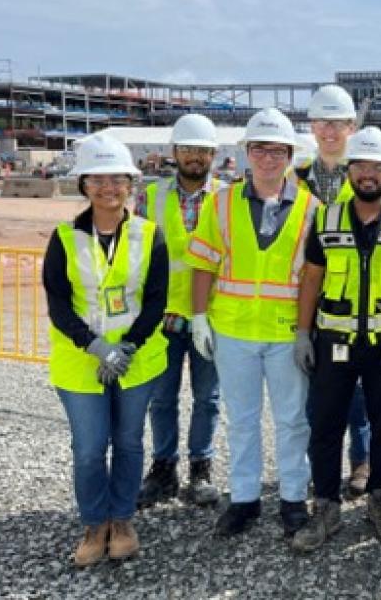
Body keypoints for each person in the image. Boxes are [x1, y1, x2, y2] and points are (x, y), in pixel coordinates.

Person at [185, 107, 319, 539]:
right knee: (241, 419)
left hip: (284, 333)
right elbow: (203, 262)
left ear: (290, 155)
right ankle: (244, 499)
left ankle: (294, 500)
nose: (267, 158)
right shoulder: (221, 203)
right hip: (234, 331)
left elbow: (314, 276)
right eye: (259, 149)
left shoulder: (313, 208)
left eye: (277, 150)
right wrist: (200, 317)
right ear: (246, 153)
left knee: (292, 420)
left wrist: (304, 331)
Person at [292, 126, 381, 551]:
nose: (368, 173)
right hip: (334, 341)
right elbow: (312, 277)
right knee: (326, 424)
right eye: (361, 165)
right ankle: (326, 506)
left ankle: (380, 499)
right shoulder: (327, 217)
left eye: (376, 167)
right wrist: (302, 333)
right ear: (349, 171)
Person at [43, 133, 168, 566]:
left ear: (130, 184)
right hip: (82, 362)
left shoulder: (151, 235)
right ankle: (95, 523)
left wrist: (128, 347)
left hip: (138, 360)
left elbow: (156, 299)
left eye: (117, 178)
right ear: (83, 185)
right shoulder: (63, 238)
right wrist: (97, 347)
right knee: (90, 447)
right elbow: (58, 302)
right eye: (97, 179)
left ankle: (123, 519)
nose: (108, 187)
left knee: (130, 443)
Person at [136, 114, 224, 509]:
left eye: (202, 150)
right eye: (187, 149)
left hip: (211, 316)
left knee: (208, 397)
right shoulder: (150, 196)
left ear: (213, 155)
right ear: (175, 152)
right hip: (163, 318)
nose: (194, 156)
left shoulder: (228, 198)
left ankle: (201, 467)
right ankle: (163, 468)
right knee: (161, 398)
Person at [301, 84, 371, 498]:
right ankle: (320, 463)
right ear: (312, 126)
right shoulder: (295, 181)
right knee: (318, 393)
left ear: (352, 126)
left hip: (357, 305)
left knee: (358, 393)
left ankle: (361, 461)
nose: (330, 131)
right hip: (310, 302)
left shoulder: (368, 177)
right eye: (323, 122)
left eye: (339, 123)